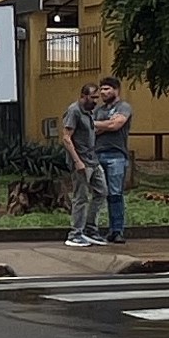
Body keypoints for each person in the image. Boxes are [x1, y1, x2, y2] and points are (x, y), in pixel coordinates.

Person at [87, 77, 137, 244]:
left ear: (116, 90)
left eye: (107, 89)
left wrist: (100, 125)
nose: (102, 92)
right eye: (101, 89)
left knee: (115, 194)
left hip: (117, 155)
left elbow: (116, 125)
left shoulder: (124, 107)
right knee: (99, 193)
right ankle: (92, 229)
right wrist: (106, 124)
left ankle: (116, 230)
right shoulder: (98, 110)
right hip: (98, 154)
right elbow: (90, 128)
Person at [60, 82, 107, 246]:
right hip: (82, 162)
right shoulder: (74, 111)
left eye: (97, 98)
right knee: (80, 197)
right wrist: (77, 161)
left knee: (101, 192)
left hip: (92, 159)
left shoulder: (89, 112)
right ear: (83, 96)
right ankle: (75, 233)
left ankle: (90, 228)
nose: (96, 101)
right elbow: (66, 138)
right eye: (92, 97)